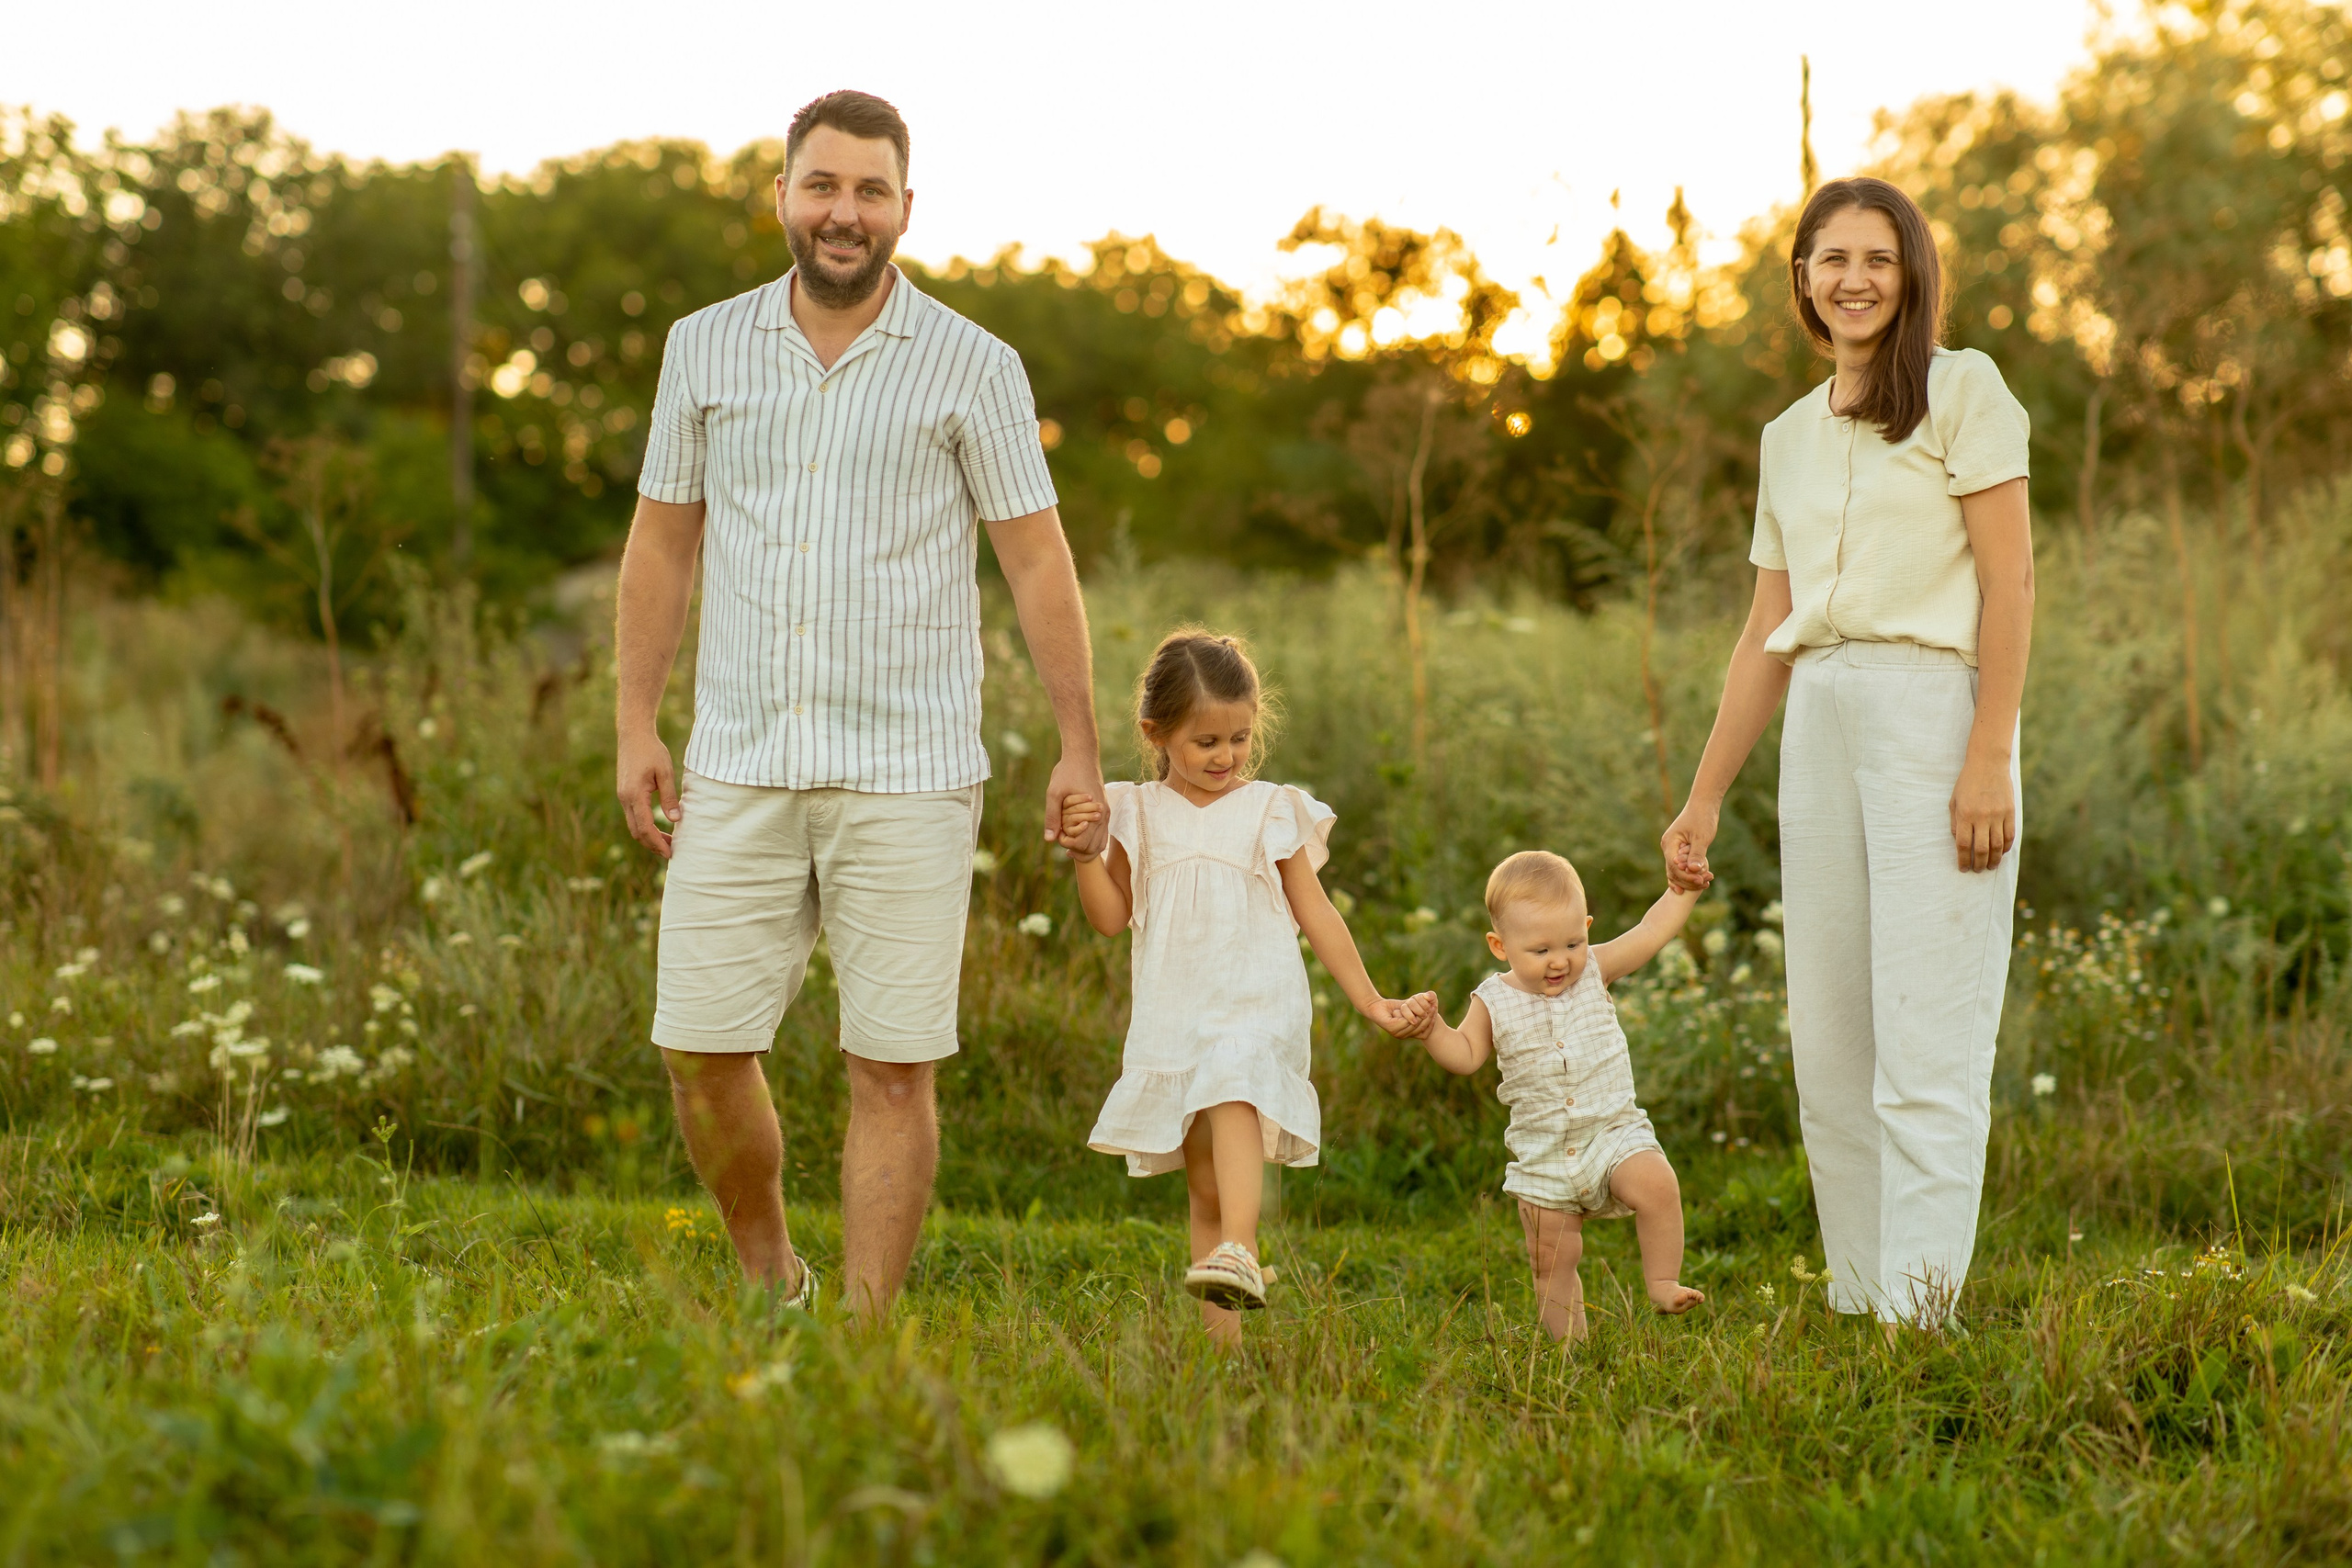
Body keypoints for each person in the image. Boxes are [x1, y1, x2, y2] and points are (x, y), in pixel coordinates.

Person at [612, 90, 1107, 1324]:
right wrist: (634, 721)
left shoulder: (975, 366)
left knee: (892, 1064)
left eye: (870, 190)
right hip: (739, 758)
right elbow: (663, 544)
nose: (845, 212)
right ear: (781, 195)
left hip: (909, 768)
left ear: (905, 209)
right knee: (700, 1046)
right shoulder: (702, 347)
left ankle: (868, 1330)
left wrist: (1079, 744)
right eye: (822, 185)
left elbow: (1039, 560)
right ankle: (774, 1277)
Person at [1660, 175, 2035, 1331]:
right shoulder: (1785, 435)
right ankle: (1861, 1300)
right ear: (1803, 279)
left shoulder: (1965, 392)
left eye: (1878, 257)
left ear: (1911, 272)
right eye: (1832, 259)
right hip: (1820, 715)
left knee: (1927, 1031)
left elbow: (2011, 582)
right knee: (1831, 1037)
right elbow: (1766, 634)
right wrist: (1703, 797)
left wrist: (1988, 754)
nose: (1855, 278)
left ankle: (1922, 1319)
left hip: (1933, 711)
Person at [1055, 630, 1421, 1348]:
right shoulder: (1134, 811)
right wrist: (1083, 856)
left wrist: (1369, 998)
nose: (1227, 757)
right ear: (1156, 734)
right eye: (1207, 742)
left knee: (1233, 1085)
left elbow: (1316, 911)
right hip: (1175, 1010)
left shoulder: (1270, 808)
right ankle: (1223, 1349)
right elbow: (1109, 917)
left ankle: (1244, 1247)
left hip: (1254, 1002)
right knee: (1206, 1190)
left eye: (1240, 738)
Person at [1397, 852, 1708, 1341]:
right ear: (1501, 946)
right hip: (1542, 1152)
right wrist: (1432, 1029)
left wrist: (1683, 890)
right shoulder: (1491, 1000)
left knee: (1658, 1185)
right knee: (1550, 1259)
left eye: (1572, 942)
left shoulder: (1594, 969)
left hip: (1612, 1132)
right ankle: (1571, 1349)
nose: (1560, 960)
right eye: (1540, 950)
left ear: (1586, 927)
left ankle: (1663, 1282)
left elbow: (1650, 933)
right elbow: (1464, 1055)